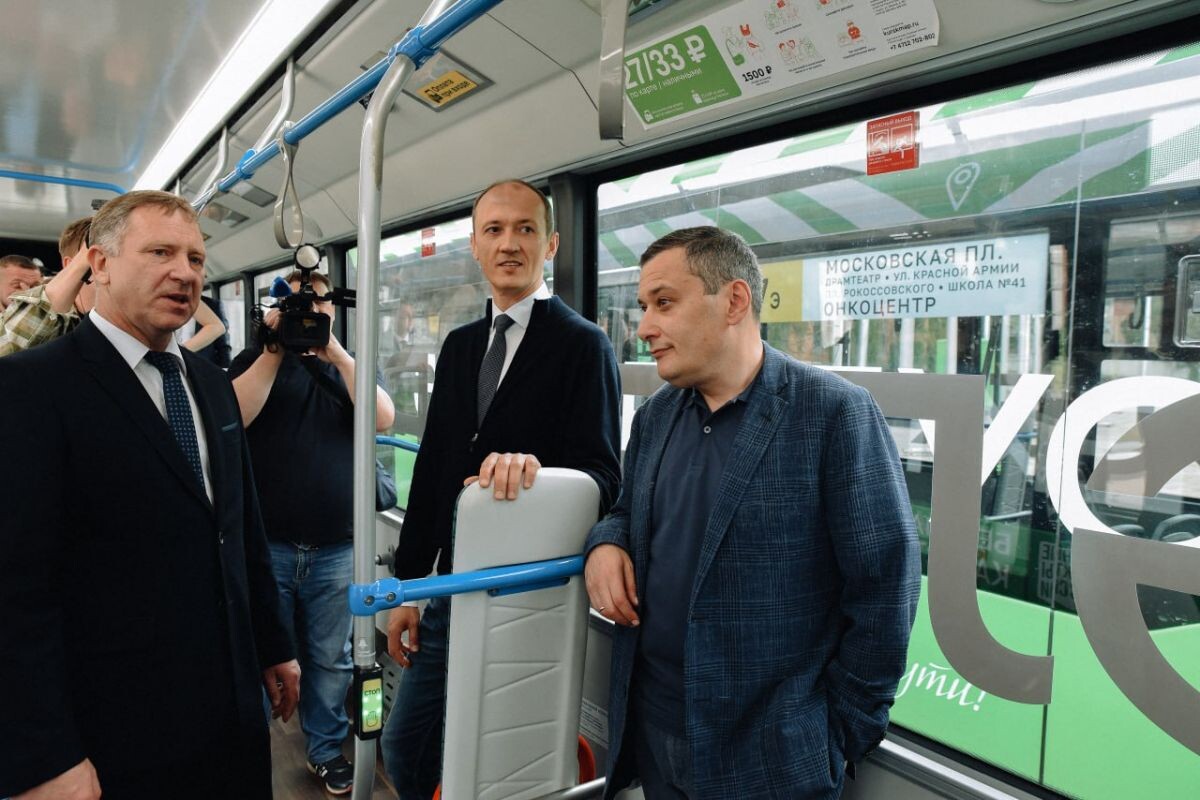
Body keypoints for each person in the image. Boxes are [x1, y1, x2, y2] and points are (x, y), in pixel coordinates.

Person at [583, 226, 921, 799]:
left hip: (771, 756)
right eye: (644, 307)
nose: (644, 328)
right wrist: (606, 542)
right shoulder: (656, 417)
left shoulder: (833, 413)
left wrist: (837, 733)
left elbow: (886, 585)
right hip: (655, 726)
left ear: (734, 301)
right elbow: (626, 512)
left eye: (664, 303)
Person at [0, 190, 300, 800]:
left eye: (195, 258)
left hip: (232, 710)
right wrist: (45, 755)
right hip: (114, 727)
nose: (184, 273)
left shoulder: (211, 384)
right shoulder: (33, 387)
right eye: (160, 252)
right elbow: (17, 588)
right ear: (100, 264)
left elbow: (240, 528)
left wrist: (275, 645)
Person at [380, 179, 622, 799]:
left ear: (551, 245)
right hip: (451, 590)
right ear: (475, 246)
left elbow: (604, 478)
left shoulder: (583, 345)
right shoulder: (461, 347)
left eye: (525, 230)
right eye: (494, 230)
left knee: (499, 768)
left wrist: (538, 474)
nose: (508, 244)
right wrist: (409, 586)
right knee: (405, 748)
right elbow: (435, 470)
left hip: (528, 600)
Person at [229, 269, 396, 796]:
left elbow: (383, 418)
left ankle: (324, 749)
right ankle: (253, 751)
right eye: (297, 304)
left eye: (319, 303)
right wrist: (275, 349)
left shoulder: (348, 367)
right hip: (268, 546)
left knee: (331, 658)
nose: (310, 312)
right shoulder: (254, 362)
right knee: (261, 653)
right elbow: (232, 415)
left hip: (336, 546)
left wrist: (337, 354)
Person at [0, 217, 93, 356]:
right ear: (71, 264)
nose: (27, 290)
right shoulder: (58, 322)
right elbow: (8, 349)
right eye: (16, 285)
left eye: (35, 285)